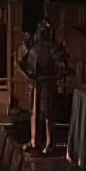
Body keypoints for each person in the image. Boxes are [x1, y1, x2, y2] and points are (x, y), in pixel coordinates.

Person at [17, 18, 68, 155]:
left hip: (48, 83)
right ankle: (34, 140)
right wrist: (28, 75)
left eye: (45, 30)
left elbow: (63, 66)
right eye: (41, 30)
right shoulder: (32, 46)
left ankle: (49, 143)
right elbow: (20, 61)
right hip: (35, 82)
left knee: (47, 113)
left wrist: (57, 76)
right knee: (34, 112)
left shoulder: (54, 48)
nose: (42, 33)